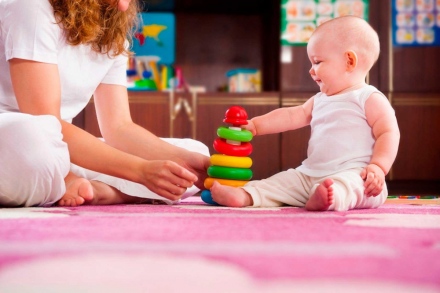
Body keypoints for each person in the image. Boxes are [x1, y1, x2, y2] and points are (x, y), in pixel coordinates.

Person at [0, 0, 210, 207]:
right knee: (34, 139)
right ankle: (74, 180)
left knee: (193, 153)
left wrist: (184, 161)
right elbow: (46, 120)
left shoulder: (112, 33)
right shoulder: (29, 6)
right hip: (21, 142)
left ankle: (101, 191)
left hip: (60, 149)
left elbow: (119, 128)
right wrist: (140, 170)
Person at [210, 16, 400, 211]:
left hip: (357, 174)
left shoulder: (369, 98)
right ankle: (246, 195)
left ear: (349, 61)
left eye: (317, 62)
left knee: (350, 187)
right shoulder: (319, 100)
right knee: (281, 181)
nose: (311, 70)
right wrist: (257, 126)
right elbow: (291, 116)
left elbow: (388, 133)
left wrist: (378, 166)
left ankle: (330, 198)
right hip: (309, 174)